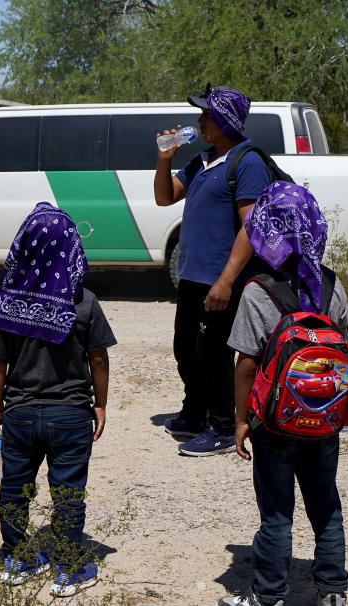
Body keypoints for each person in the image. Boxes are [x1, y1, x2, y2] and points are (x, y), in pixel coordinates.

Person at [214, 182, 348, 606]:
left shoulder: (258, 291)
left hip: (275, 424)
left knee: (276, 511)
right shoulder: (333, 285)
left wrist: (240, 421)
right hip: (325, 421)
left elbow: (245, 364)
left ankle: (267, 602)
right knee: (326, 505)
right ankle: (333, 597)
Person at [0, 202, 116, 597]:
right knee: (68, 490)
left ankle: (18, 557)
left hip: (19, 414)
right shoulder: (84, 301)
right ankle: (70, 567)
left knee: (16, 485)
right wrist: (99, 403)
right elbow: (99, 357)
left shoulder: (8, 300)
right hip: (72, 415)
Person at [153, 83, 272, 456]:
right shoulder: (202, 160)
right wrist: (164, 159)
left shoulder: (247, 162)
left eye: (206, 115)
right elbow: (163, 197)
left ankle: (222, 427)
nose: (198, 120)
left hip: (220, 281)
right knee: (186, 350)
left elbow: (251, 228)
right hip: (192, 275)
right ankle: (194, 414)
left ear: (225, 120)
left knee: (214, 355)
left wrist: (225, 281)